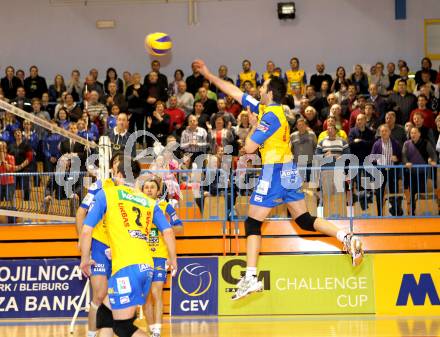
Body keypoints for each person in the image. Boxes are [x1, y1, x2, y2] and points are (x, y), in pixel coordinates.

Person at [194, 59, 363, 300]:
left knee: (252, 223)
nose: (258, 90)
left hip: (274, 173)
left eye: (262, 88)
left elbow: (249, 148)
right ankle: (347, 237)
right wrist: (209, 74)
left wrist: (252, 128)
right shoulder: (267, 109)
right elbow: (235, 92)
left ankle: (251, 277)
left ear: (270, 93)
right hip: (289, 171)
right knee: (304, 220)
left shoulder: (270, 116)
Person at [80, 157, 177, 337]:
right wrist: (174, 260)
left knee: (123, 327)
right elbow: (169, 232)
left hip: (127, 268)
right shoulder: (149, 201)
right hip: (146, 267)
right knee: (105, 315)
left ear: (118, 174)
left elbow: (86, 230)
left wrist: (85, 259)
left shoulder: (108, 194)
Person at [76, 154, 121, 337]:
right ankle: (92, 333)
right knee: (100, 294)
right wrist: (82, 240)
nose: (121, 170)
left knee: (116, 297)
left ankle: (109, 331)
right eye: (118, 166)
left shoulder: (132, 190)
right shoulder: (100, 186)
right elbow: (80, 213)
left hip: (121, 247)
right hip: (100, 245)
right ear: (112, 169)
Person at [142, 176, 183, 337]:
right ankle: (150, 328)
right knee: (145, 295)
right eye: (146, 187)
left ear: (158, 191)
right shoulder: (137, 205)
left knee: (156, 291)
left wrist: (165, 227)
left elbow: (180, 228)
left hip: (159, 255)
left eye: (152, 187)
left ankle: (158, 330)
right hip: (141, 256)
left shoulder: (166, 207)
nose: (149, 189)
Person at [402, 126, 437, 215]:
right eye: (411, 133)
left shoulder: (426, 143)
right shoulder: (406, 143)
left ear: (419, 134)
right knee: (413, 192)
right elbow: (404, 156)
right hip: (411, 173)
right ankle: (413, 211)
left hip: (423, 172)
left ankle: (422, 210)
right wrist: (406, 163)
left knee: (421, 191)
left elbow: (433, 154)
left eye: (414, 133)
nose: (413, 134)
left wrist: (433, 161)